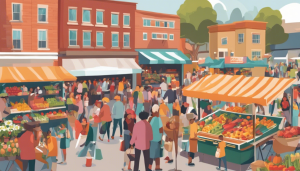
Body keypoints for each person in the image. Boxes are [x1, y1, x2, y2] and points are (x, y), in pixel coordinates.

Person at [148, 105, 163, 171]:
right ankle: (157, 167)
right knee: (157, 154)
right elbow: (161, 130)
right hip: (157, 140)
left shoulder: (152, 119)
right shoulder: (158, 119)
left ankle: (149, 167)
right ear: (156, 112)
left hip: (152, 140)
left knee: (151, 154)